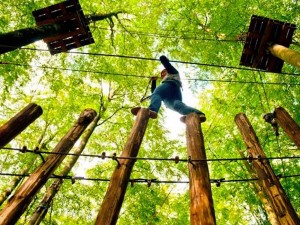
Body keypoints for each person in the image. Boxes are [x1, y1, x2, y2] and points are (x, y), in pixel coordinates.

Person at [132, 55, 206, 121]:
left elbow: (164, 61)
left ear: (167, 71)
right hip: (170, 97)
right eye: (161, 74)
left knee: (157, 94)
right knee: (177, 105)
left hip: (171, 85)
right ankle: (198, 114)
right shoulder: (163, 83)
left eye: (164, 72)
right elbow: (154, 93)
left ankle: (152, 110)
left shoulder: (174, 73)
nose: (162, 74)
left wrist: (163, 59)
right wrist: (154, 82)